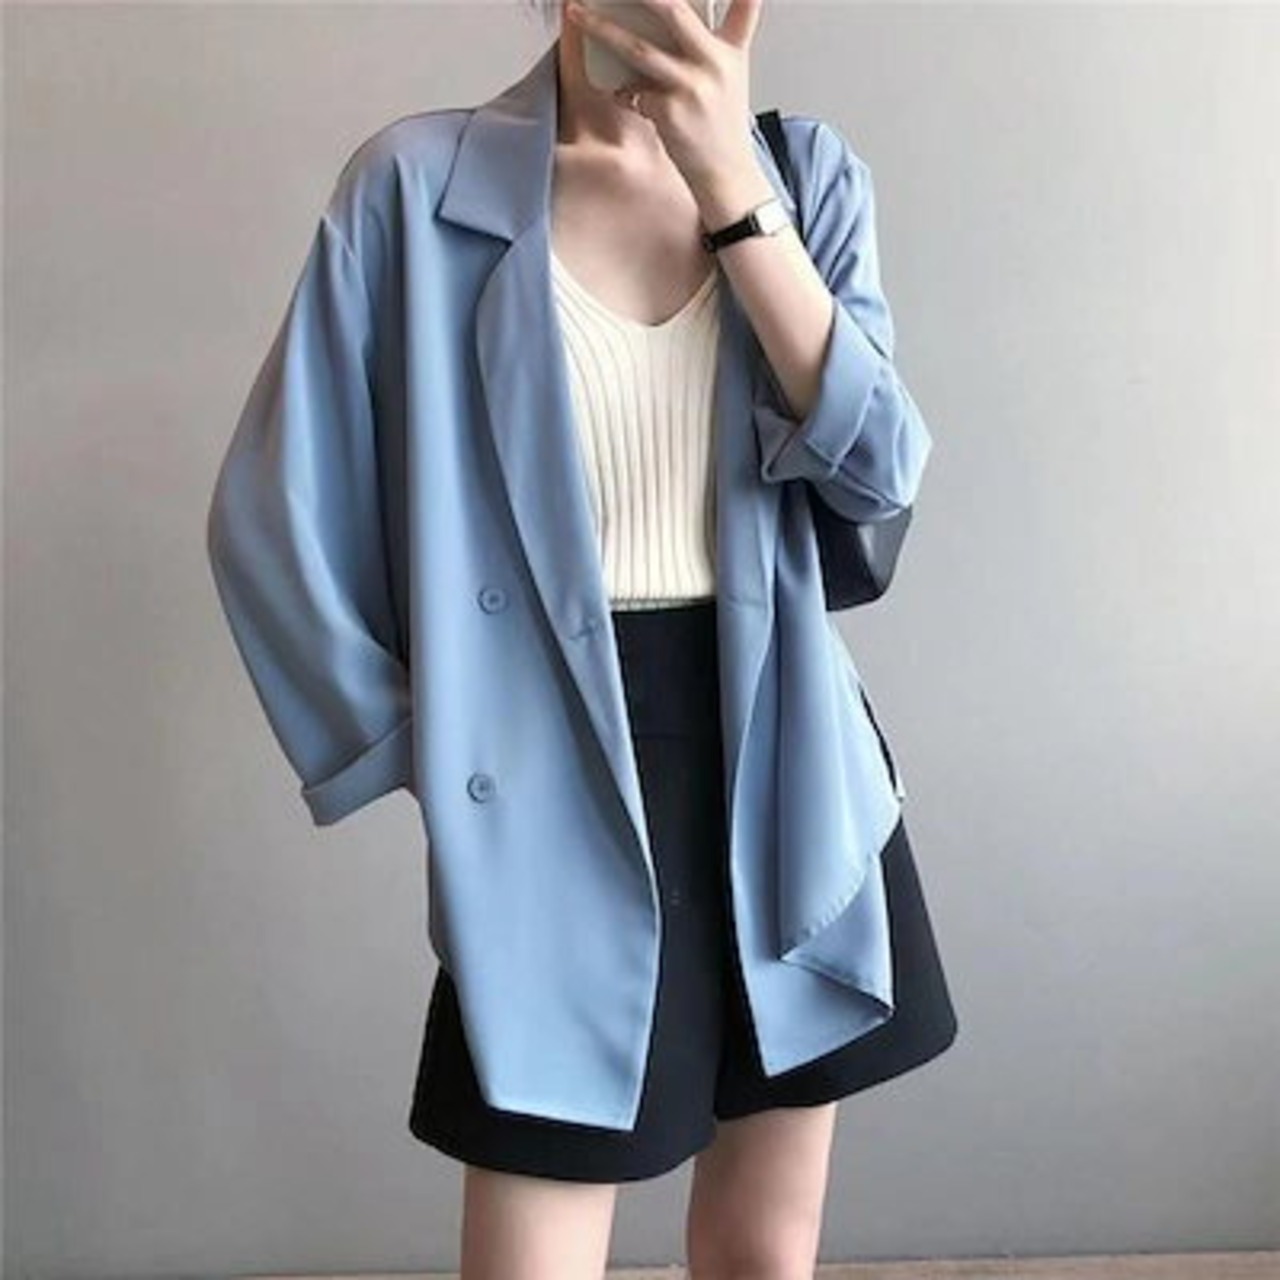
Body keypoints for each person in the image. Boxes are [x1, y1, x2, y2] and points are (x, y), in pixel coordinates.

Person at [207, 1, 957, 1275]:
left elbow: (878, 474)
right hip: (552, 762)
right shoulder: (415, 188)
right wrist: (425, 744)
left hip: (785, 760)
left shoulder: (806, 173)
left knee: (763, 1250)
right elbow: (269, 518)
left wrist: (730, 187)